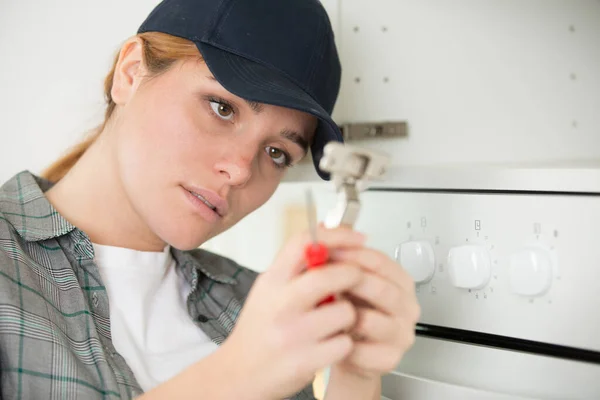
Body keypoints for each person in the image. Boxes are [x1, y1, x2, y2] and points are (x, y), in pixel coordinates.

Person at [0, 0, 420, 399]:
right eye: (221, 108)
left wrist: (356, 376)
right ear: (130, 74)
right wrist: (235, 376)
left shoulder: (259, 306)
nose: (240, 171)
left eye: (277, 153)